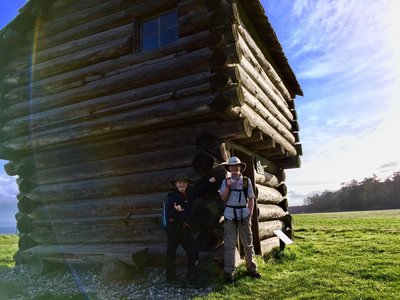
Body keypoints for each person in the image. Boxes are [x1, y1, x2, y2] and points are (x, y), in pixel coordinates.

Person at [219, 156, 261, 283]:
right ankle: (229, 272)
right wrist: (227, 187)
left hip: (244, 215)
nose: (234, 168)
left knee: (248, 243)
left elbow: (251, 198)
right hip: (230, 215)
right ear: (229, 168)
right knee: (230, 244)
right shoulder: (226, 181)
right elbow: (223, 198)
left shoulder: (246, 181)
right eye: (231, 166)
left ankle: (251, 268)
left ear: (240, 167)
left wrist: (250, 213)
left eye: (236, 166)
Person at [164, 173, 205, 288]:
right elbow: (168, 214)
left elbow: (198, 190)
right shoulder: (172, 197)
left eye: (184, 182)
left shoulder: (188, 196)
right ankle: (170, 278)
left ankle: (191, 278)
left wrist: (209, 181)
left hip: (185, 229)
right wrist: (174, 210)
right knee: (171, 254)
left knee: (193, 251)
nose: (181, 184)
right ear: (176, 185)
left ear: (187, 184)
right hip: (173, 229)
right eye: (179, 182)